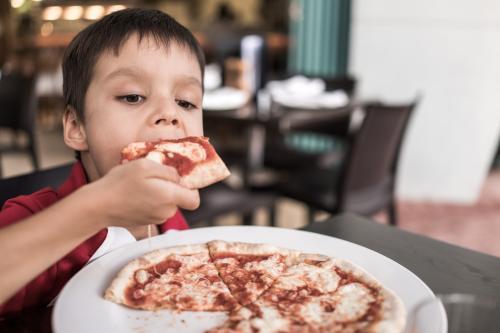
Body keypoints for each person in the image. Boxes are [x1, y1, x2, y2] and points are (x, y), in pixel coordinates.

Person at [0, 8, 205, 316]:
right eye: (133, 96)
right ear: (76, 127)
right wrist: (96, 208)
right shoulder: (31, 218)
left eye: (186, 102)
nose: (170, 113)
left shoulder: (171, 222)